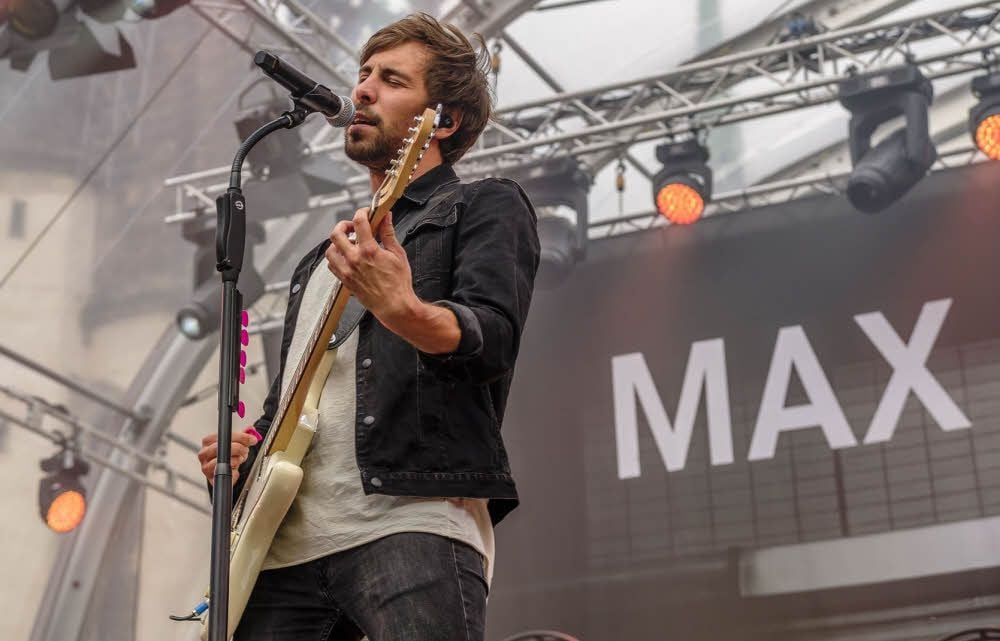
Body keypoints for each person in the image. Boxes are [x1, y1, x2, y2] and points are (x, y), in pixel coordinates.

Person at [196, 12, 540, 641]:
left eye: (391, 79)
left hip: (406, 524)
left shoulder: (481, 204)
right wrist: (245, 458)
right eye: (363, 76)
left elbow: (491, 337)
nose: (361, 90)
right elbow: (295, 409)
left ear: (444, 121)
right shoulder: (318, 260)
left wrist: (402, 308)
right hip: (283, 548)